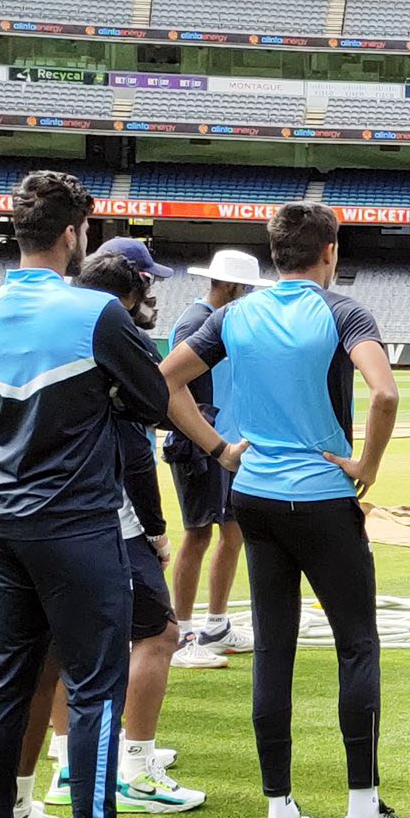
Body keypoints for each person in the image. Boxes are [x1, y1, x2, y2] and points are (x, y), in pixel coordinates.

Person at [162, 202, 410, 818]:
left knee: (274, 651)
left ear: (274, 254)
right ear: (329, 251)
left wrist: (221, 449)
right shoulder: (342, 311)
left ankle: (280, 814)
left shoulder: (231, 315)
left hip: (254, 496)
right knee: (356, 646)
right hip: (325, 499)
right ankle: (363, 812)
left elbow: (163, 382)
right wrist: (367, 462)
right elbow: (385, 393)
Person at [0, 170, 181, 818]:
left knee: (6, 684)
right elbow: (152, 399)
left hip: (8, 521)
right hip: (79, 523)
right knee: (93, 689)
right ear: (72, 235)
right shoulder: (94, 312)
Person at [74, 248, 207, 816]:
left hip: (47, 510)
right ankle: (135, 766)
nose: (153, 294)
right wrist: (153, 527)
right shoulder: (114, 333)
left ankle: (63, 764)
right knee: (158, 632)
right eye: (147, 282)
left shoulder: (58, 322)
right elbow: (135, 441)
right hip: (110, 514)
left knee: (61, 643)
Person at [162, 249, 269, 670]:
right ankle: (183, 631)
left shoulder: (215, 320)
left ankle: (216, 623)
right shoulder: (197, 322)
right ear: (231, 287)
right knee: (198, 534)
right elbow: (174, 386)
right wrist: (210, 441)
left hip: (223, 443)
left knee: (231, 530)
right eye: (243, 289)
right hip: (201, 445)